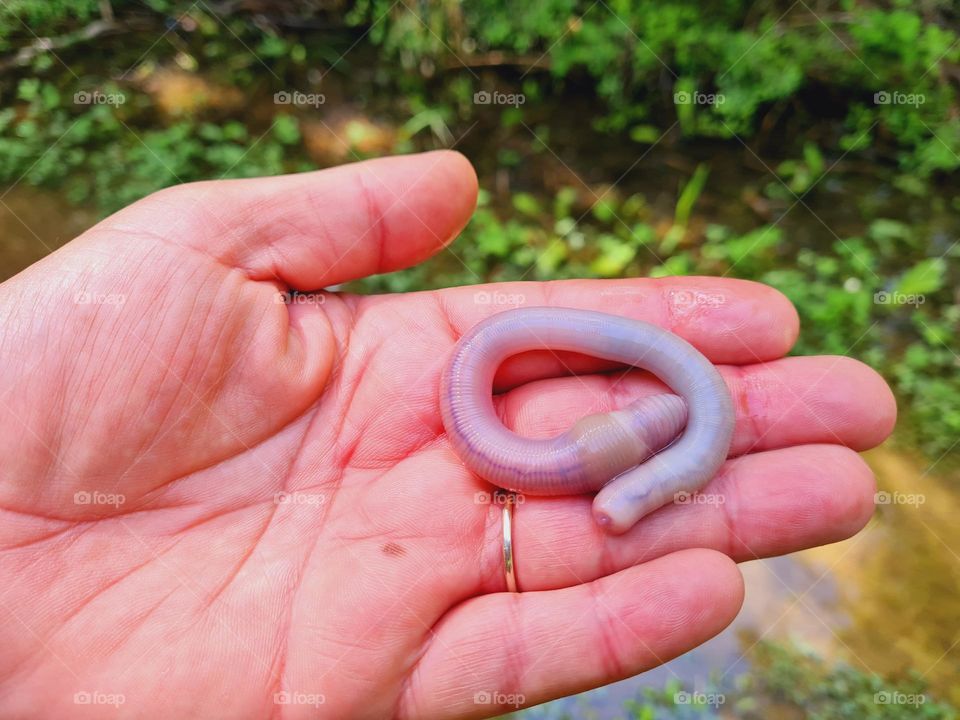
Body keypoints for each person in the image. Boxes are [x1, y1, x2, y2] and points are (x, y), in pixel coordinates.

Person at [0, 151, 895, 718]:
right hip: (622, 424)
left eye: (631, 494)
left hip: (635, 426)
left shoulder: (642, 427)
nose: (617, 509)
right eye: (635, 493)